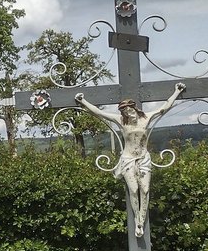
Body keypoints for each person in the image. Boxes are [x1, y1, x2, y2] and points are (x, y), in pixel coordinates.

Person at [75, 82, 186, 237]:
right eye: (125, 111)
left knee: (145, 190)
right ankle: (137, 222)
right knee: (133, 189)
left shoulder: (145, 118)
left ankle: (141, 219)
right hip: (128, 158)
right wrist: (83, 101)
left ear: (135, 108)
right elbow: (99, 113)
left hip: (143, 158)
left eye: (130, 109)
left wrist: (176, 92)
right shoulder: (121, 121)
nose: (128, 112)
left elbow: (164, 108)